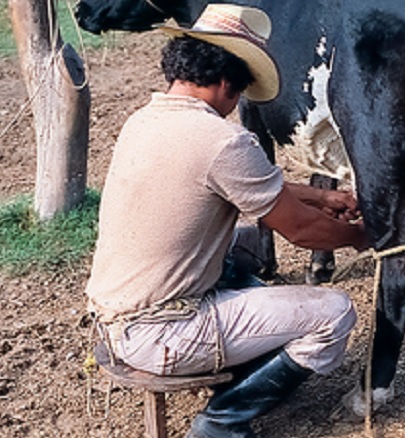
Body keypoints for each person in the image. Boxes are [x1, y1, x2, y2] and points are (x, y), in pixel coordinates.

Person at [84, 4, 369, 437]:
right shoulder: (223, 140)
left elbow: (241, 183)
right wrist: (363, 235)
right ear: (224, 83)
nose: (237, 103)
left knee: (246, 247)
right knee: (334, 312)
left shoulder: (145, 119)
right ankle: (223, 420)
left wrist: (323, 195)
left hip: (115, 317)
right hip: (164, 333)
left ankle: (244, 353)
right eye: (239, 91)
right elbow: (302, 230)